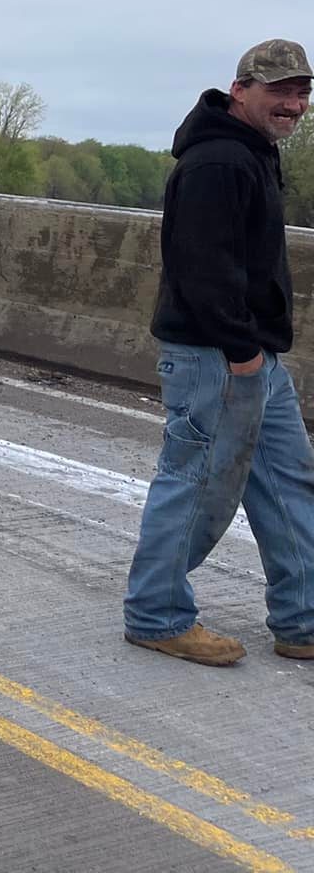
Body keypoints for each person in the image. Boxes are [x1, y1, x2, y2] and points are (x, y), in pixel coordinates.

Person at [124, 39, 314, 666]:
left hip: (253, 355)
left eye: (301, 92)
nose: (292, 103)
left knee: (290, 483)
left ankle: (303, 620)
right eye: (278, 90)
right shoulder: (218, 162)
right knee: (198, 486)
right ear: (241, 90)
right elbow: (201, 267)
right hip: (219, 357)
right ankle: (157, 614)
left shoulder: (254, 154)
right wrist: (242, 353)